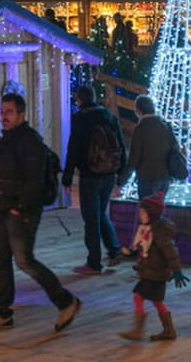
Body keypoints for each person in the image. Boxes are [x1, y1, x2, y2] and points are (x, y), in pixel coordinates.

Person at [0, 93, 82, 332]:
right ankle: (2, 312)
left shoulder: (30, 142)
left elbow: (34, 181)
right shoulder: (5, 140)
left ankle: (66, 301)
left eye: (9, 112)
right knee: (0, 261)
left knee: (25, 261)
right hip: (1, 209)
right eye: (2, 112)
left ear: (21, 115)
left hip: (19, 212)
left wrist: (20, 207)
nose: (4, 117)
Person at [62, 85, 126, 274]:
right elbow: (120, 144)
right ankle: (114, 250)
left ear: (79, 100)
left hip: (89, 174)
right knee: (100, 213)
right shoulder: (109, 116)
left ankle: (93, 262)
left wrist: (67, 177)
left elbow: (73, 149)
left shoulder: (80, 119)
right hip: (108, 173)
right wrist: (121, 174)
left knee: (91, 219)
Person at [117, 191, 189, 342]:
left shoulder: (159, 231)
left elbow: (170, 251)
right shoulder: (146, 229)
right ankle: (169, 330)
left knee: (138, 296)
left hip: (156, 272)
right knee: (157, 301)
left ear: (151, 213)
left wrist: (177, 270)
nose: (140, 215)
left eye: (143, 212)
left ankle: (138, 330)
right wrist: (130, 252)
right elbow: (142, 247)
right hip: (150, 271)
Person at [116, 95, 172, 201]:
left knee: (147, 210)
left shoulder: (141, 129)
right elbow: (175, 149)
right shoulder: (165, 126)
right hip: (165, 175)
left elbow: (134, 158)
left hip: (148, 176)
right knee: (158, 208)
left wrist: (122, 180)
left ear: (138, 110)